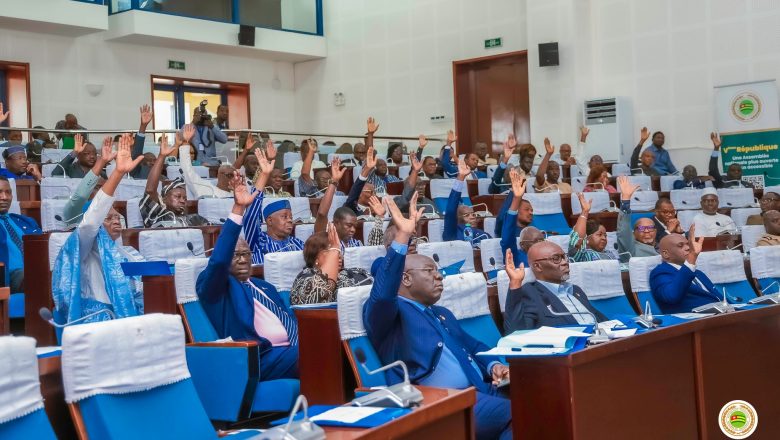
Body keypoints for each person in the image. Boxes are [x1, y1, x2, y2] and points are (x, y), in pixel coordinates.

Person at [364, 196, 512, 440]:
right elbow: (382, 295)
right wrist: (402, 237)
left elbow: (475, 346)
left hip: (483, 388)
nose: (440, 276)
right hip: (440, 401)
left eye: (438, 270)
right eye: (429, 271)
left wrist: (494, 365)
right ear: (406, 279)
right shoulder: (390, 314)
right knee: (520, 413)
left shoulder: (442, 313)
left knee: (543, 397)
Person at [196, 177, 298, 380]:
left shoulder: (265, 286)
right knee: (317, 352)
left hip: (290, 349)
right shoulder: (217, 288)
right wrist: (238, 209)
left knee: (327, 342)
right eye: (235, 255)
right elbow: (218, 262)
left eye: (246, 254)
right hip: (258, 357)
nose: (242, 260)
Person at [52, 137, 146, 325]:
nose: (116, 221)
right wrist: (118, 173)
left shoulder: (129, 253)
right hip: (99, 320)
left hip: (132, 318)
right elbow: (90, 222)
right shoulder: (84, 247)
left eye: (117, 217)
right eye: (108, 218)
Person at [503, 242, 607, 332]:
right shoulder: (530, 292)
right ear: (538, 266)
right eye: (556, 258)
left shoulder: (575, 290)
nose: (565, 262)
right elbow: (516, 332)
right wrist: (515, 282)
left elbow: (600, 320)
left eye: (564, 257)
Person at [244, 150, 305, 264]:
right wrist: (264, 174)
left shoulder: (297, 243)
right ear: (270, 221)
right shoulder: (258, 241)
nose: (290, 220)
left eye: (291, 217)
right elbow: (251, 217)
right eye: (284, 216)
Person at [650, 226, 727, 314]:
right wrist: (692, 258)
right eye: (680, 245)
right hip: (696, 320)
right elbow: (672, 296)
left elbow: (718, 298)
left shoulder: (697, 273)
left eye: (688, 244)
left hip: (722, 314)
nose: (688, 248)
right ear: (666, 254)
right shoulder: (660, 273)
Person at [290, 227, 372, 305]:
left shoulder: (356, 271)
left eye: (339, 251)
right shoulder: (305, 277)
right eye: (331, 251)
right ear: (316, 258)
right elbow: (317, 295)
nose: (339, 255)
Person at [140, 135, 209, 228]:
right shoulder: (158, 216)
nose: (182, 201)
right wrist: (161, 156)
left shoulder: (194, 219)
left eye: (185, 198)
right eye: (177, 196)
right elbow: (150, 190)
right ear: (164, 199)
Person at [0, 176, 41, 292]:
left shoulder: (26, 221)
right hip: (8, 276)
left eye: (8, 192)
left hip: (36, 270)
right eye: (0, 192)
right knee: (35, 277)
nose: (4, 197)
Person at [178, 124, 235, 198]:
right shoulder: (206, 189)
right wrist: (186, 142)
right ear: (218, 176)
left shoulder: (240, 194)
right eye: (230, 175)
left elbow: (224, 139)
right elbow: (187, 170)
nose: (234, 178)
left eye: (236, 175)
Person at [443, 159, 491, 247]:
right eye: (466, 215)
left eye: (473, 214)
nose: (472, 217)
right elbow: (450, 211)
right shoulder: (452, 232)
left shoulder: (483, 234)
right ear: (457, 218)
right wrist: (461, 177)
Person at [500, 171, 540, 266]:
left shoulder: (548, 256)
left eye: (541, 241)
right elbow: (507, 239)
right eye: (535, 241)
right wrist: (516, 198)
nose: (539, 244)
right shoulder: (516, 256)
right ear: (522, 245)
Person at [616, 176, 658, 261]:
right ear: (634, 233)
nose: (646, 231)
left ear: (655, 231)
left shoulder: (663, 246)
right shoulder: (630, 248)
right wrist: (626, 200)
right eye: (641, 228)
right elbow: (624, 232)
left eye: (650, 228)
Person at [569, 193, 615, 262]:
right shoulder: (583, 256)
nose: (604, 238)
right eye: (599, 234)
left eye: (605, 235)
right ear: (587, 238)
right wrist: (584, 212)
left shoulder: (609, 253)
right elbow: (577, 241)